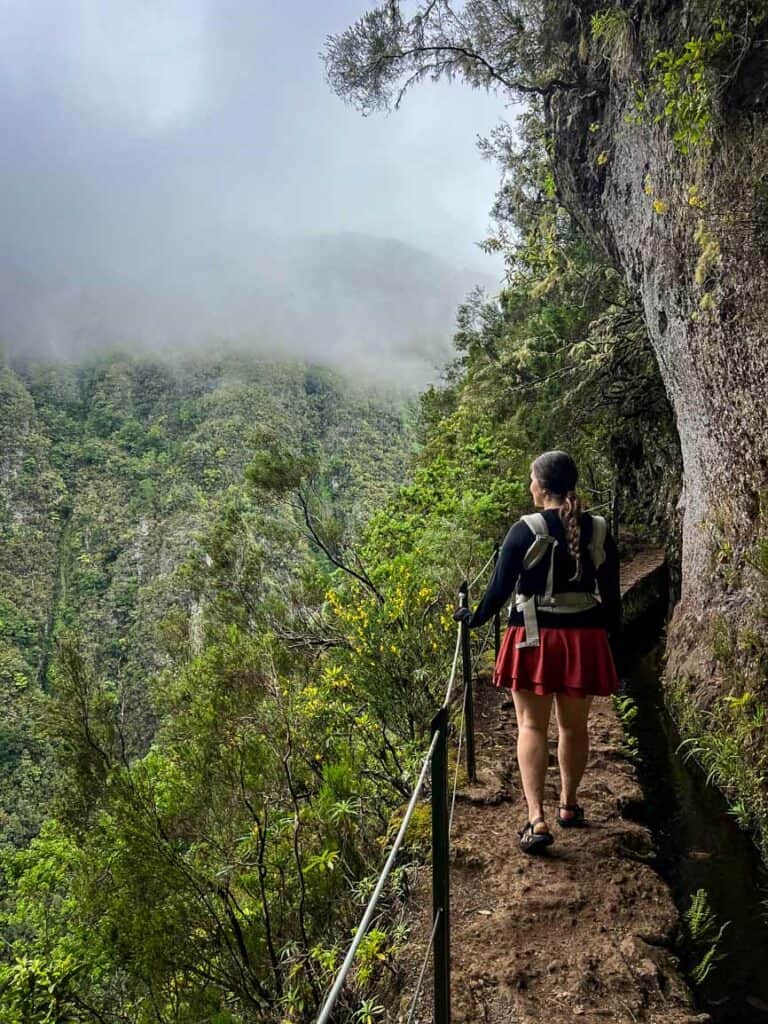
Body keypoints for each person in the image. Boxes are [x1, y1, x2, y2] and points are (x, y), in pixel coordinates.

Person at [454, 450, 622, 855]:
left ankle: (536, 818)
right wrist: (601, 638)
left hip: (532, 638)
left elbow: (498, 591)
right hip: (582, 638)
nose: (529, 485)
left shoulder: (525, 530)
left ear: (542, 486)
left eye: (531, 479)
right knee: (573, 727)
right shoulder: (597, 528)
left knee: (531, 726)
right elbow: (612, 599)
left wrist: (472, 618)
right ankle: (568, 805)